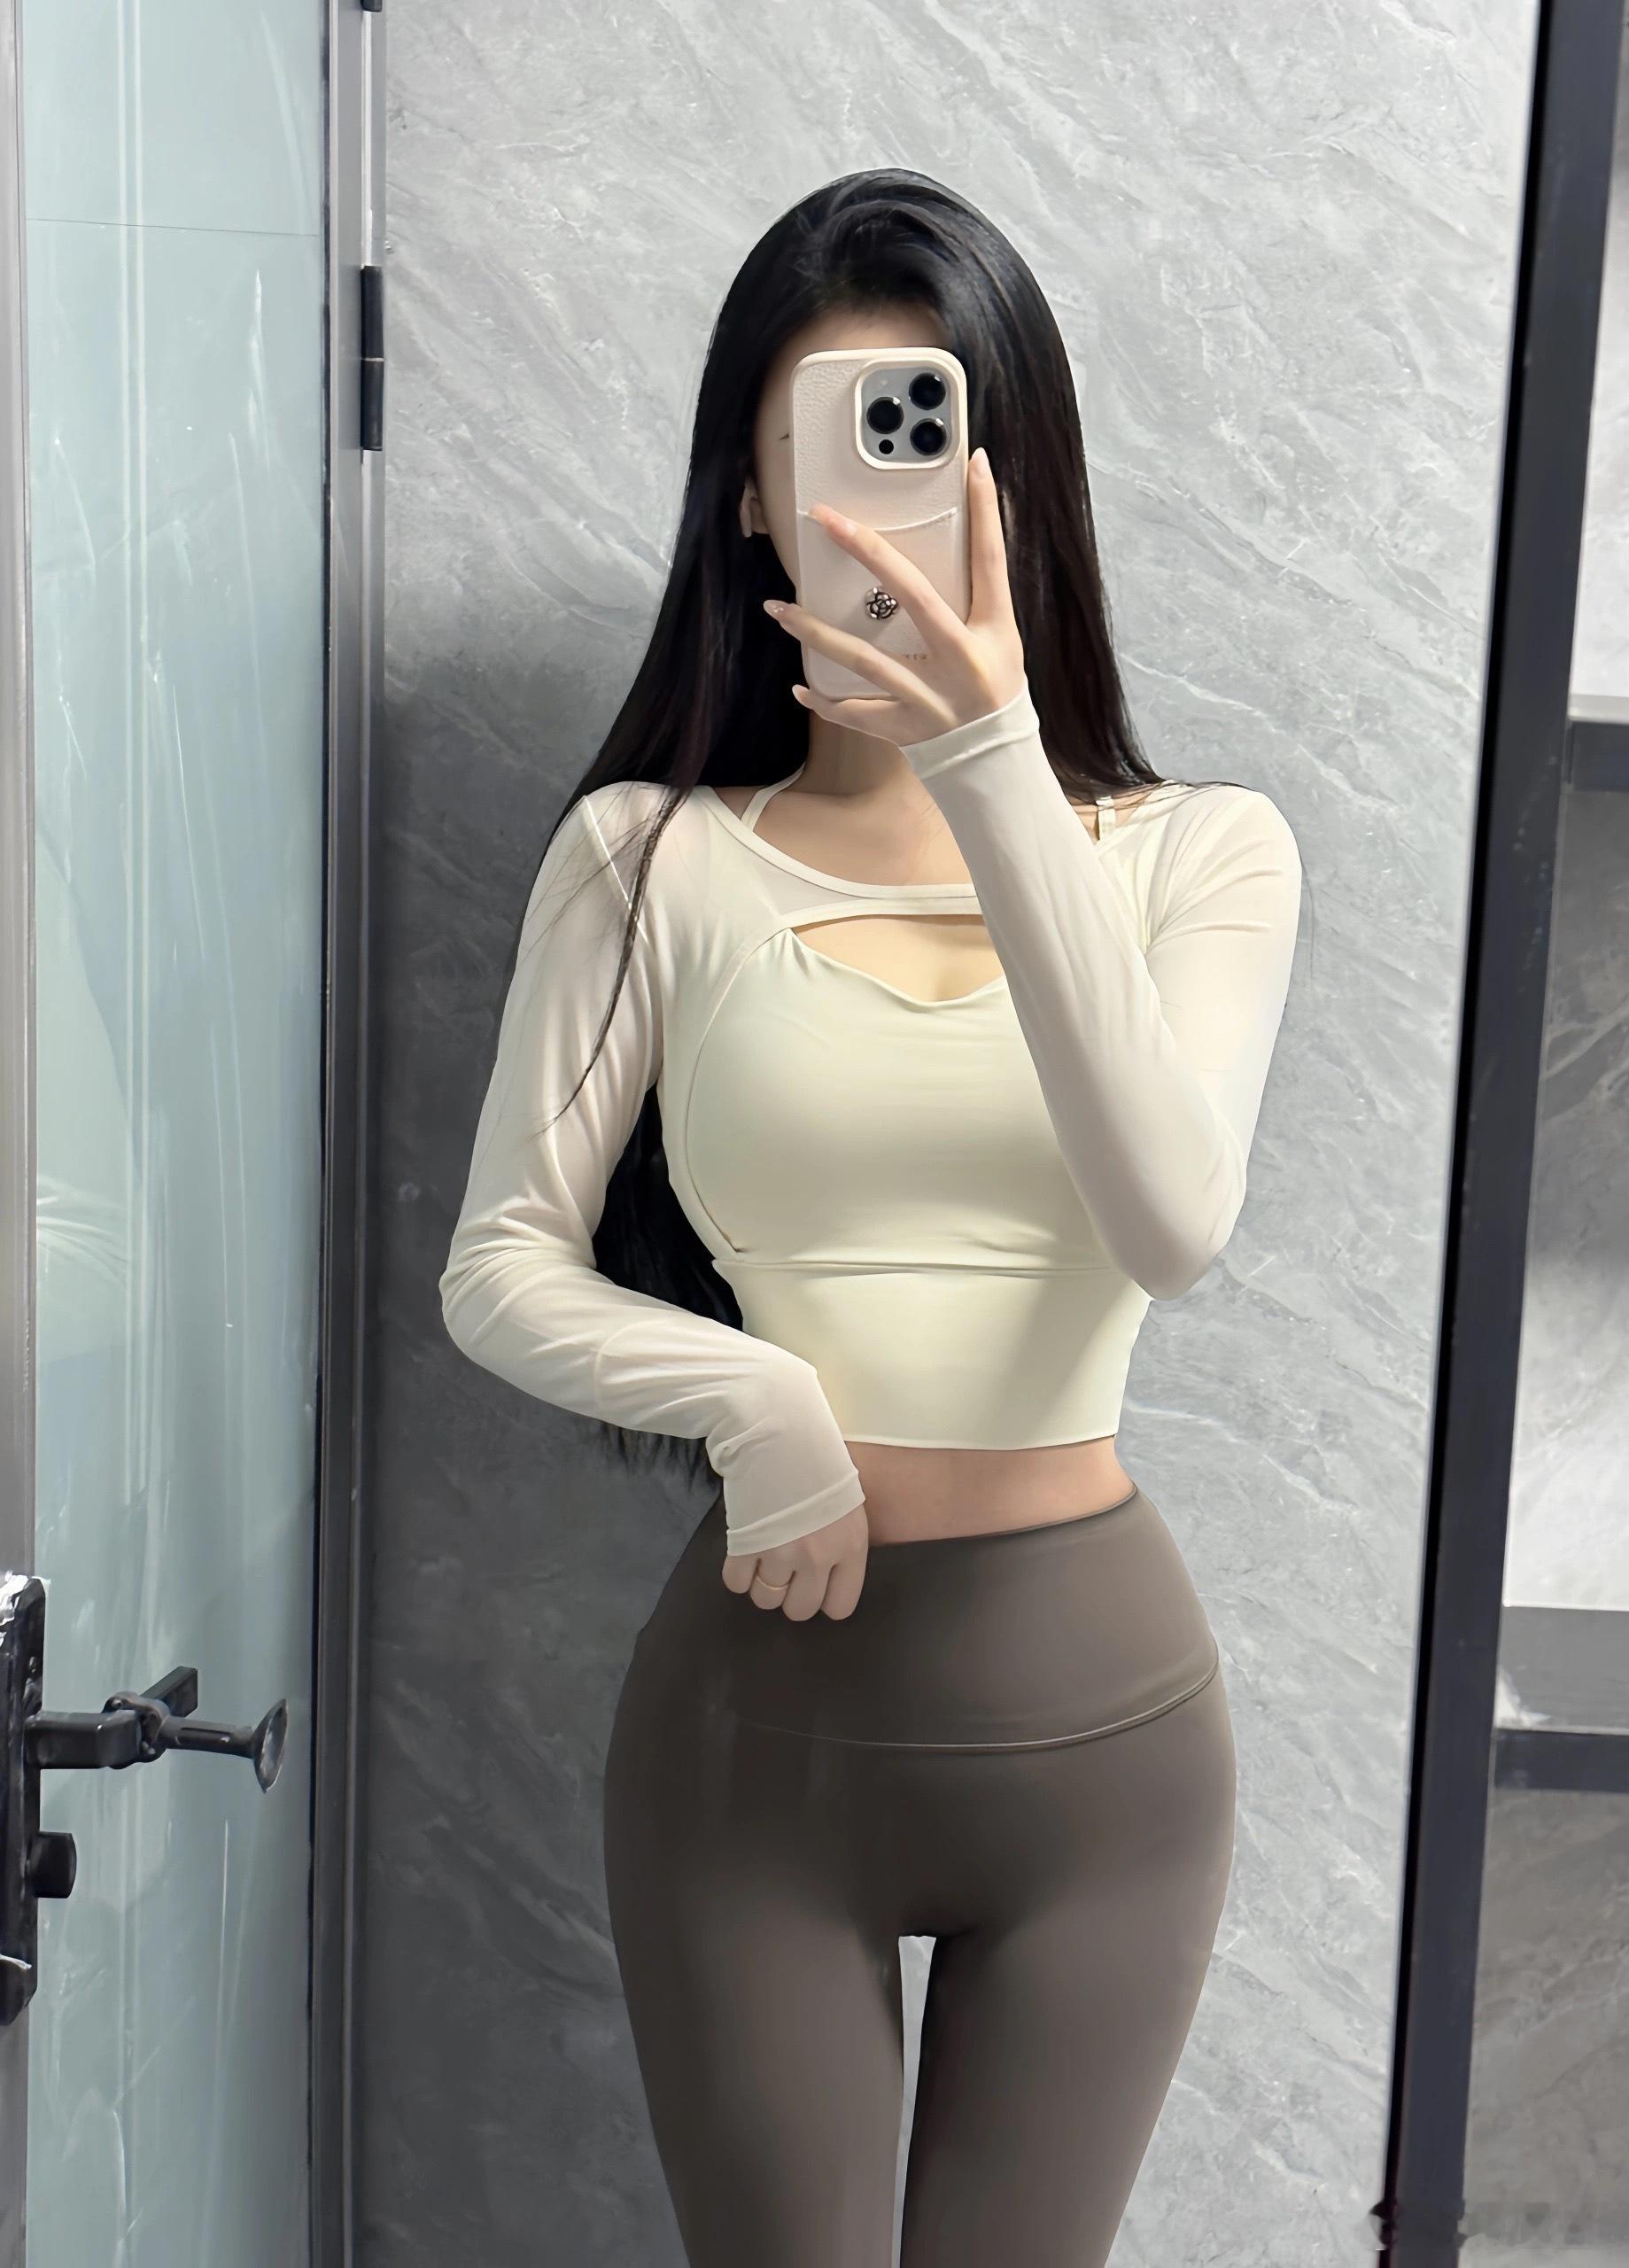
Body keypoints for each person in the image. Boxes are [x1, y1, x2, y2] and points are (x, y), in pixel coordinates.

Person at [438, 169, 1303, 2268]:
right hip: (763, 1715)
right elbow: (499, 1261)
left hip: (1101, 1727)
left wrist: (992, 758)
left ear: (1020, 490)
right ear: (749, 497)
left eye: (925, 444)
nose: (874, 515)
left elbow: (1173, 1220)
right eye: (821, 449)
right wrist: (756, 1401)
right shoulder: (649, 856)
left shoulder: (1201, 854)